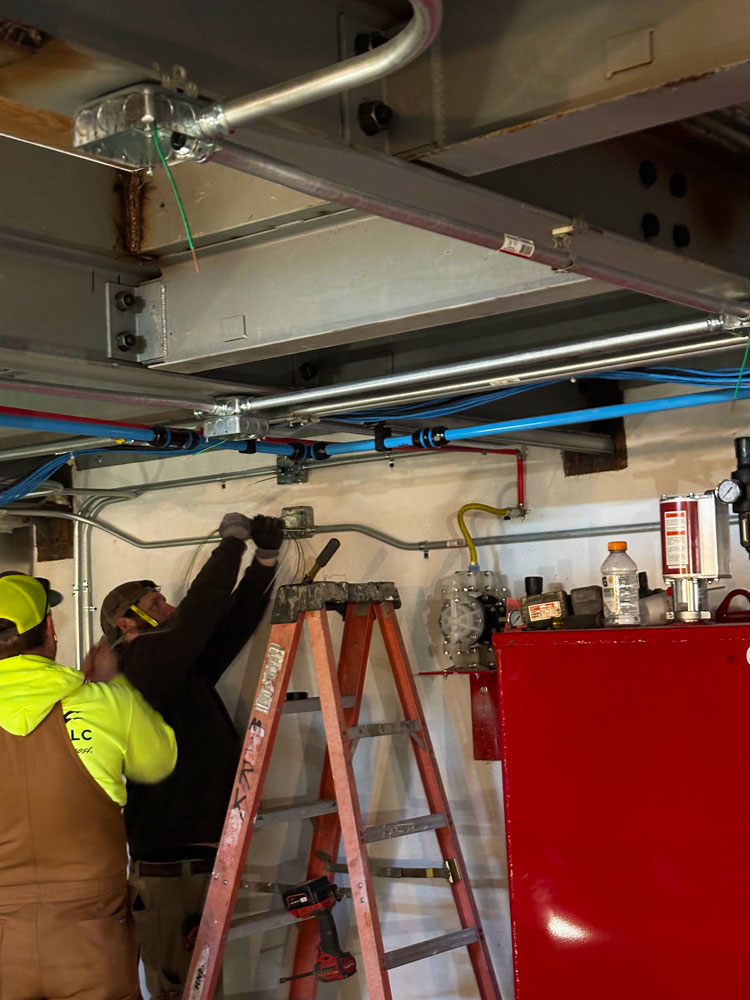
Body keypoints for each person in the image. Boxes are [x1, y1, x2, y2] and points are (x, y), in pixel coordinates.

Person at [94, 512, 284, 1000]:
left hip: (195, 861)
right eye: (156, 603)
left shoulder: (175, 667)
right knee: (180, 988)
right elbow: (198, 618)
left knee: (203, 986)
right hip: (168, 872)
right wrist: (230, 547)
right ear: (127, 622)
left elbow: (226, 627)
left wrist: (263, 562)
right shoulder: (141, 664)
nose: (170, 605)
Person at [0, 571, 177, 1000]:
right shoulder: (103, 700)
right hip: (92, 934)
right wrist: (112, 686)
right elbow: (158, 762)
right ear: (49, 628)